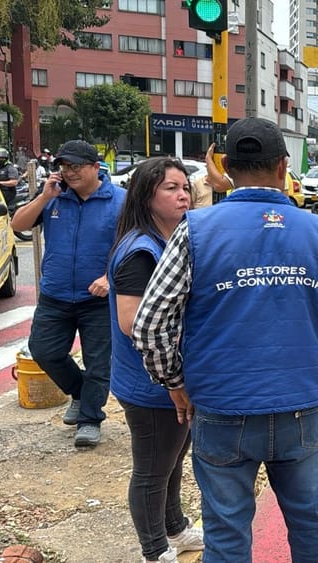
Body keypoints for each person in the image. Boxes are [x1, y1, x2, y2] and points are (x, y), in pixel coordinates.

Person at [131, 117, 318, 560]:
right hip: (304, 407)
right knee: (310, 522)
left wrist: (175, 383)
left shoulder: (197, 230)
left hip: (223, 410)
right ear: (283, 166)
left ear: (227, 168)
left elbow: (150, 323)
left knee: (226, 531)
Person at [107, 157, 203, 563]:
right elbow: (132, 322)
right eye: (171, 188)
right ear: (147, 196)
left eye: (185, 187)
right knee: (151, 468)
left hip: (168, 377)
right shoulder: (141, 251)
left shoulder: (169, 241)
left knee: (172, 457)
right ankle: (155, 549)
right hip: (149, 383)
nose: (183, 195)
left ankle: (175, 527)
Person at [10, 140, 126, 448]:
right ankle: (79, 391)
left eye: (75, 167)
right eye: (64, 167)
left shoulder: (121, 201)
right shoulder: (54, 197)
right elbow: (17, 224)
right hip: (56, 294)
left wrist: (109, 278)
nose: (69, 173)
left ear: (94, 167)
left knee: (99, 363)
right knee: (44, 350)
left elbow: (133, 248)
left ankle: (89, 418)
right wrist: (45, 196)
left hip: (98, 299)